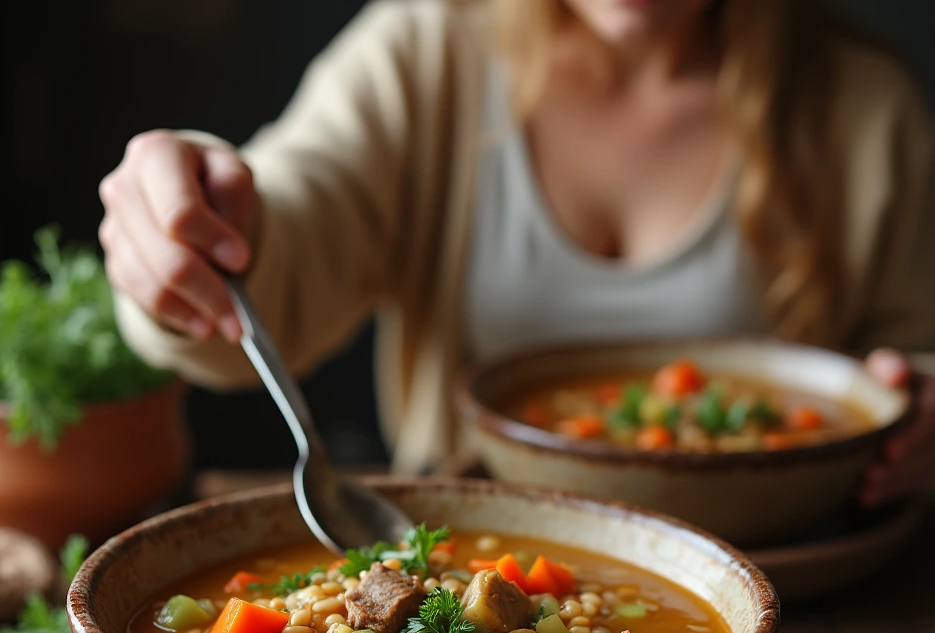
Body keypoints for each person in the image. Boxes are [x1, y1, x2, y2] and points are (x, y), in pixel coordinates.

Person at [98, 0, 935, 501]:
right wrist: (191, 222)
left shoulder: (871, 112)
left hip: (791, 618)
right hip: (456, 612)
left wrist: (921, 411)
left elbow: (912, 362)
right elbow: (282, 240)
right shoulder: (425, 53)